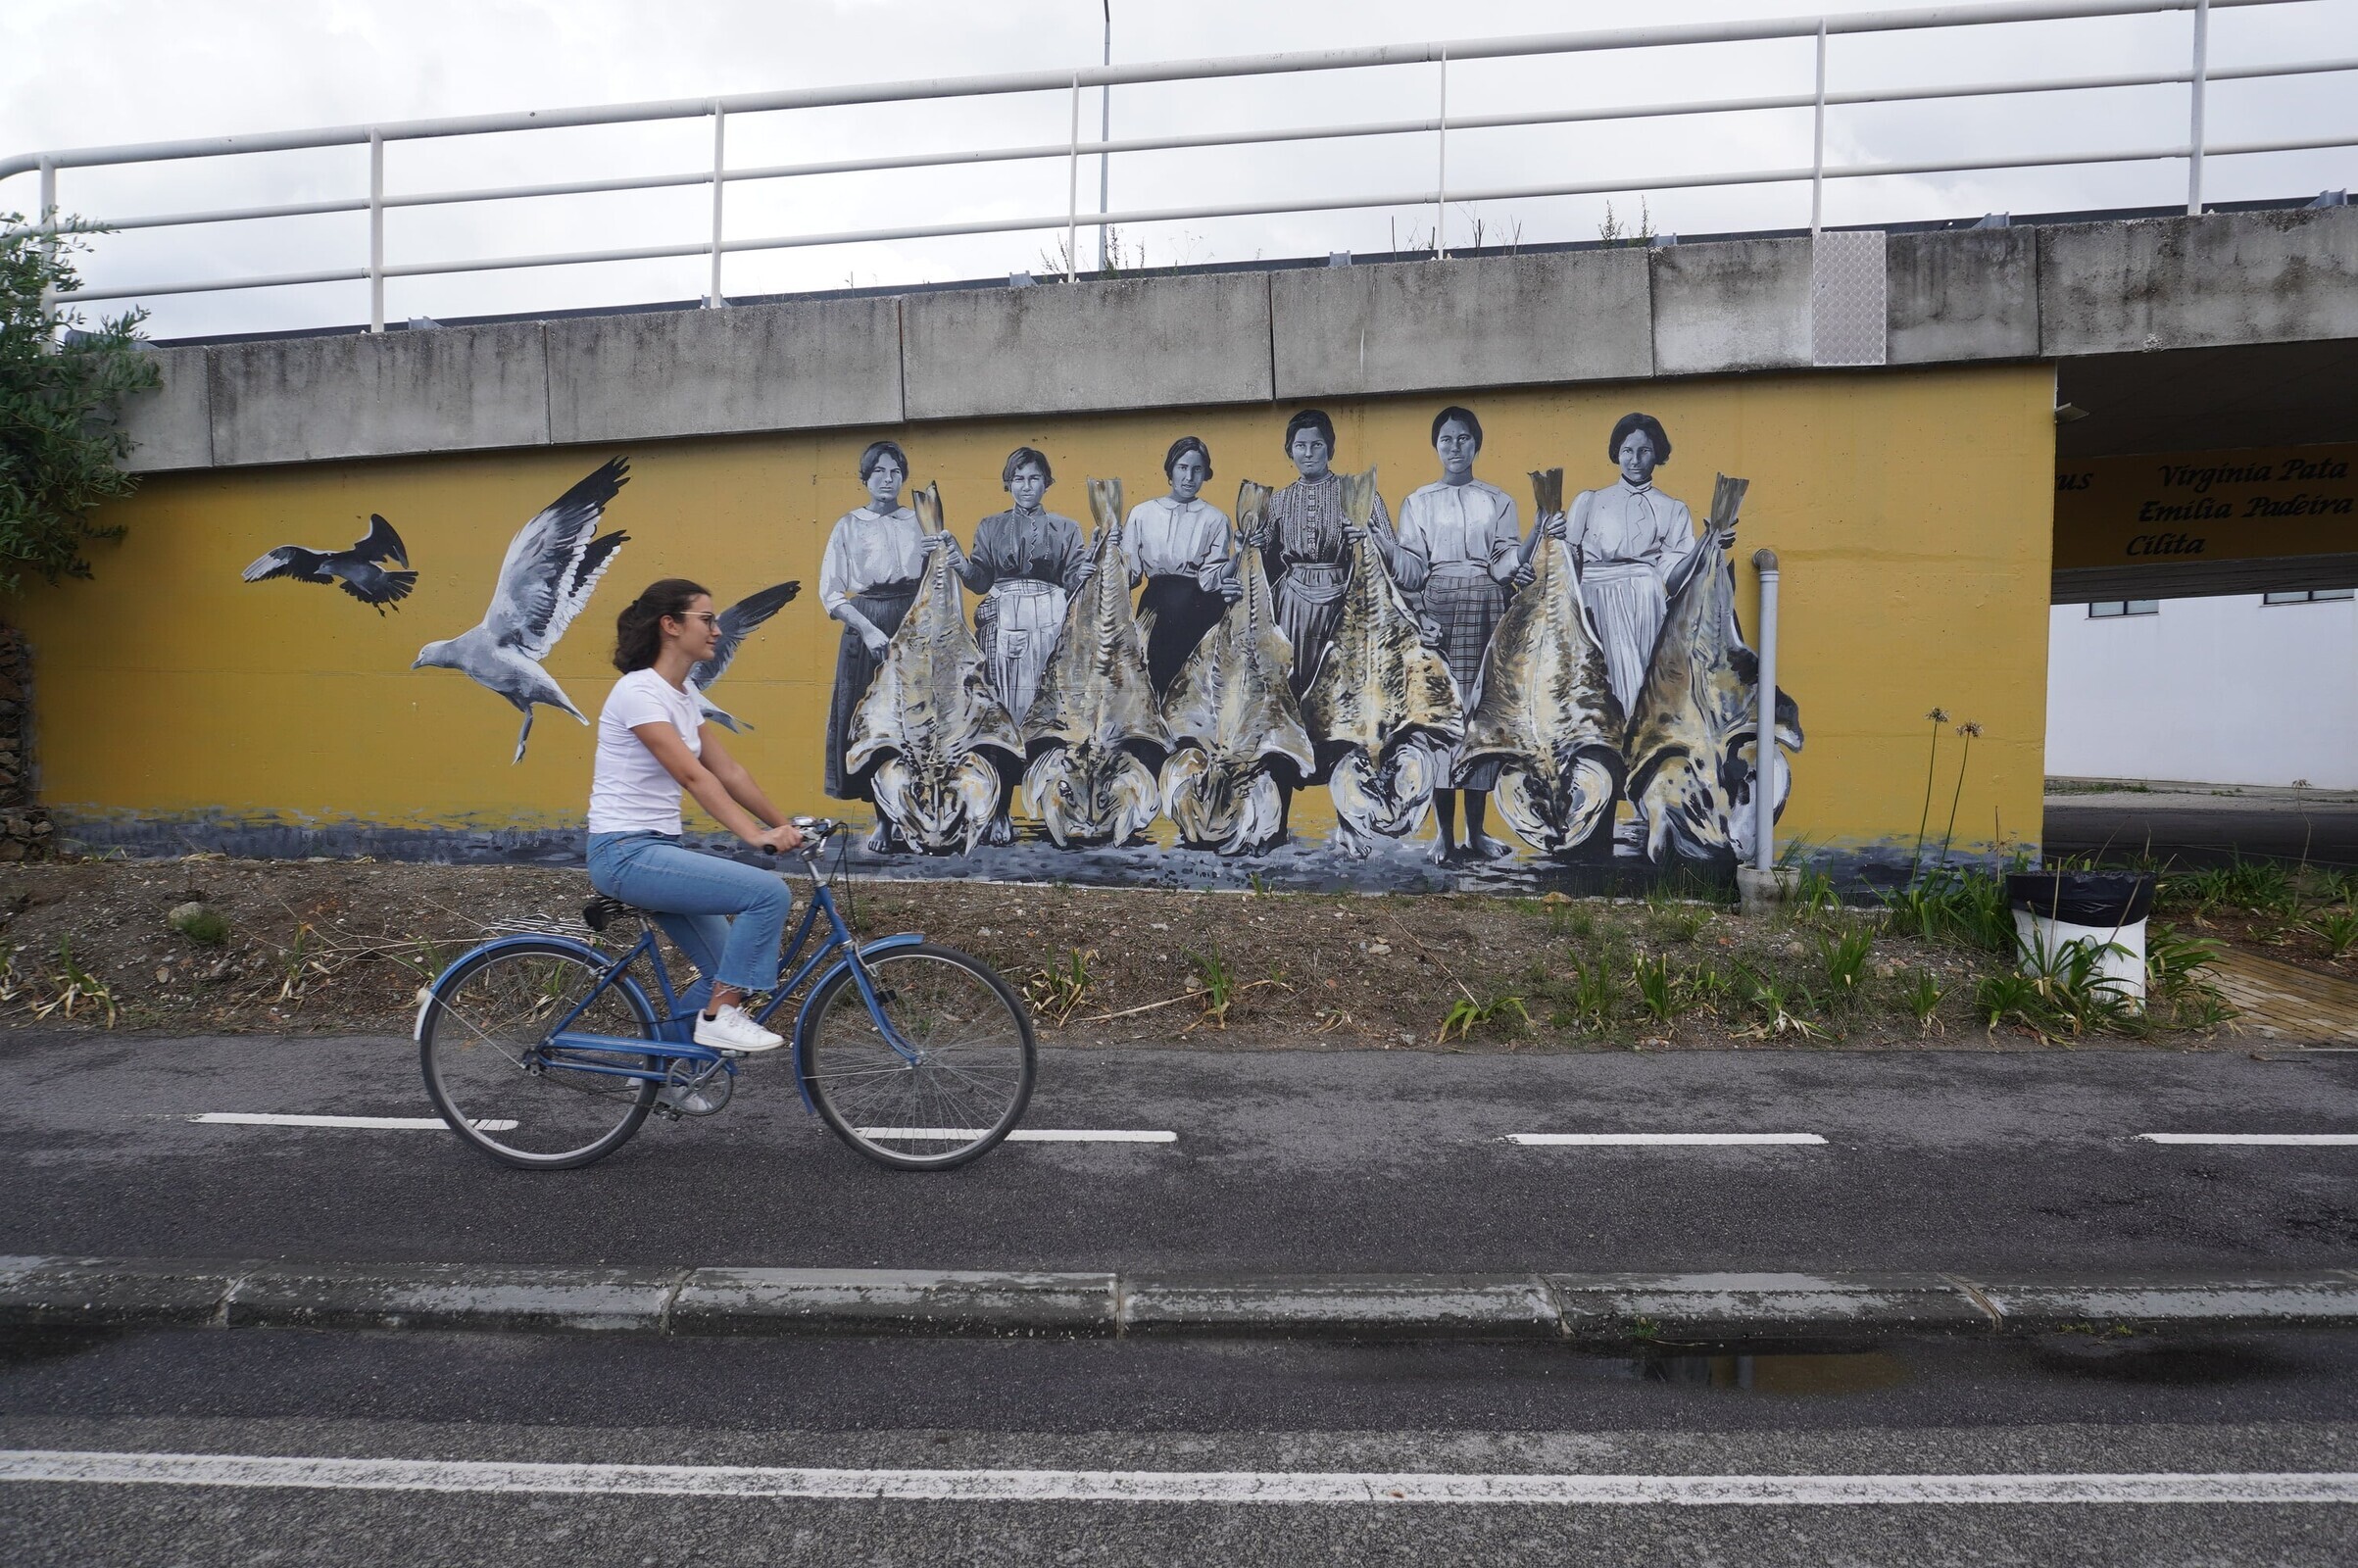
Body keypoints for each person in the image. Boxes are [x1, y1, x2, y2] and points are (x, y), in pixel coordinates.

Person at [586, 579, 806, 1054]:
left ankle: (664, 1070)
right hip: (624, 853)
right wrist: (754, 836)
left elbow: (728, 771)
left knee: (729, 969)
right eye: (706, 619)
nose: (717, 630)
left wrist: (786, 824)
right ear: (670, 625)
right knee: (767, 894)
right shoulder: (638, 692)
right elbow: (693, 776)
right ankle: (720, 1018)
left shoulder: (681, 693)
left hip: (656, 851)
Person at [1393, 406, 1545, 863]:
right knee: (1443, 717)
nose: (1454, 447)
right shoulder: (1418, 501)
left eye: (1463, 438)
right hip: (1438, 608)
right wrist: (1421, 615)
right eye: (1446, 439)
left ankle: (1476, 833)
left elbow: (1503, 565)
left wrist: (1537, 530)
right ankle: (1444, 835)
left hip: (1486, 609)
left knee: (1480, 719)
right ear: (1435, 446)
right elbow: (1411, 570)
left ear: (1476, 444)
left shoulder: (1497, 500)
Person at [937, 446, 1087, 843]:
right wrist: (960, 562)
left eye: (1034, 478)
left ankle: (1054, 808)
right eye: (1018, 478)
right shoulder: (990, 527)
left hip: (1050, 628)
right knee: (1001, 716)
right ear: (1008, 483)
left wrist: (1084, 571)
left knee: (1048, 715)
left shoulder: (1067, 529)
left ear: (1047, 482)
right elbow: (980, 580)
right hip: (1003, 628)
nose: (1026, 486)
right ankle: (999, 809)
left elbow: (1073, 580)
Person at [1547, 413, 1730, 716]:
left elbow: (1673, 579)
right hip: (1593, 598)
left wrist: (1706, 542)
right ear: (1616, 453)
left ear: (1657, 454)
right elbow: (1569, 562)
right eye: (1627, 451)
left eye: (1644, 451)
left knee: (1641, 682)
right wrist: (1552, 536)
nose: (1635, 460)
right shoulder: (1590, 501)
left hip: (1645, 601)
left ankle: (1633, 722)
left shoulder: (1672, 509)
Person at [1247, 409, 1403, 698]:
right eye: (1300, 445)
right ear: (1289, 450)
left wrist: (1369, 539)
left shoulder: (1358, 493)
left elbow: (1393, 553)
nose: (1308, 453)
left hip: (1345, 598)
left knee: (1341, 679)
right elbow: (1263, 556)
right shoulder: (1278, 501)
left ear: (1330, 448)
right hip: (1292, 603)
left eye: (1316, 445)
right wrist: (1250, 541)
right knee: (1292, 678)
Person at [818, 440, 926, 851]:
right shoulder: (848, 526)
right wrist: (866, 629)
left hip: (912, 619)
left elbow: (936, 576)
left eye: (895, 472)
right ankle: (883, 820)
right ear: (865, 478)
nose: (887, 479)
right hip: (867, 625)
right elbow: (831, 594)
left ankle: (918, 815)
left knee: (914, 721)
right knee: (872, 723)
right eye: (878, 471)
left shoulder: (918, 521)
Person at [1122, 435, 1239, 696]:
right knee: (1150, 678)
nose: (1189, 477)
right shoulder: (1141, 514)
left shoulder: (1216, 519)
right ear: (1170, 470)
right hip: (1155, 609)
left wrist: (1238, 557)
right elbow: (1130, 575)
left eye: (1197, 469)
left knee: (1192, 685)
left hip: (1200, 609)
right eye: (1182, 468)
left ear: (1205, 473)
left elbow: (1211, 578)